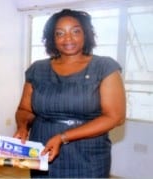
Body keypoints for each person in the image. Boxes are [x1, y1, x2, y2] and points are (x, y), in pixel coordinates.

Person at [13, 9, 126, 178]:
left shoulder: (104, 67)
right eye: (60, 33)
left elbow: (115, 117)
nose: (68, 38)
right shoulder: (37, 69)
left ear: (85, 34)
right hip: (43, 150)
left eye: (75, 31)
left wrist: (63, 137)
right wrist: (22, 127)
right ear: (52, 38)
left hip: (87, 153)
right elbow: (25, 109)